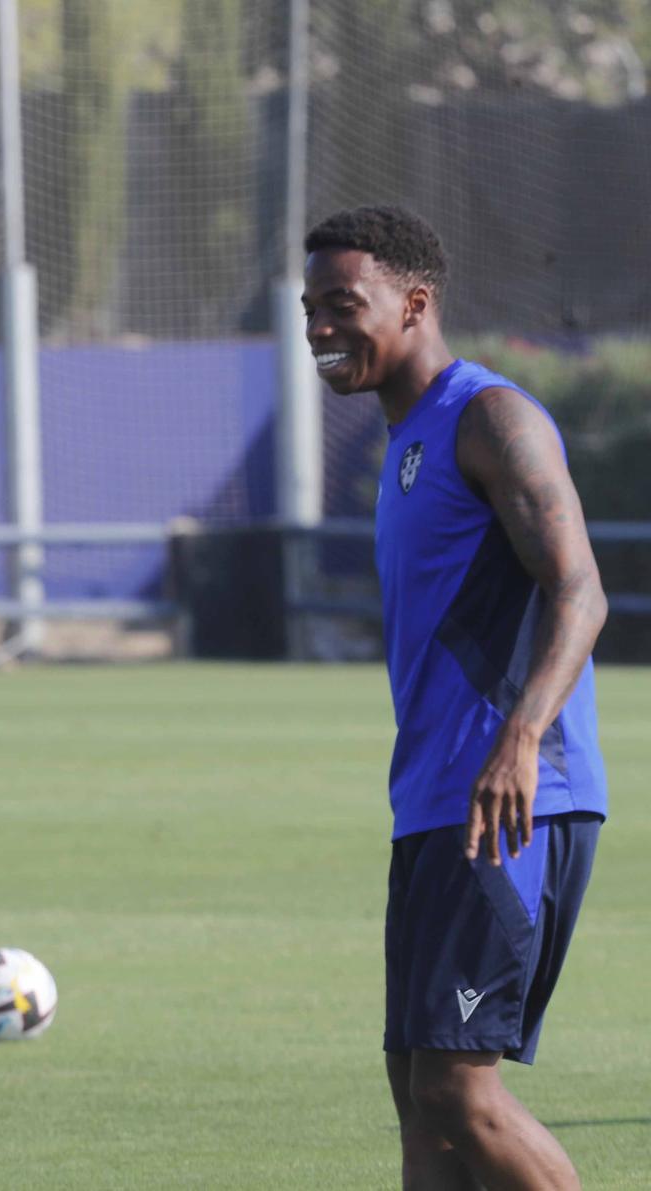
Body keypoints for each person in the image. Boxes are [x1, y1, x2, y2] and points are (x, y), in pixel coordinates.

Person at [303, 205, 607, 1189]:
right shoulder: (402, 446)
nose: (317, 327)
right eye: (308, 308)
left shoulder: (488, 417)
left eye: (340, 304)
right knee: (416, 1099)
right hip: (433, 802)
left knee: (459, 1096)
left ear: (413, 302)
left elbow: (579, 589)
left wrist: (519, 739)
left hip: (510, 801)